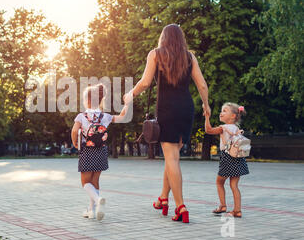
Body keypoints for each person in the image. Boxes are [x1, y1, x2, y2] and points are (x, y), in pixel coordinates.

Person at [123, 24, 211, 223]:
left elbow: (145, 82)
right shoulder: (189, 57)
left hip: (166, 110)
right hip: (186, 109)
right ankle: (163, 198)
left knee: (172, 158)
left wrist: (131, 94)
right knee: (173, 157)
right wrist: (206, 106)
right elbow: (202, 84)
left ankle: (181, 206)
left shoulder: (155, 54)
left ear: (163, 38)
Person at [71, 83, 128, 221]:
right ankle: (93, 211)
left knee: (85, 183)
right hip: (101, 151)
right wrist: (127, 103)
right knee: (95, 180)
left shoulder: (81, 116)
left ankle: (97, 199)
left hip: (87, 150)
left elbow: (74, 131)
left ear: (87, 100)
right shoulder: (105, 117)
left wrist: (75, 142)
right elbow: (122, 117)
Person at [205, 102, 249, 218]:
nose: (221, 112)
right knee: (234, 185)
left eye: (225, 111)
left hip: (227, 158)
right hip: (239, 158)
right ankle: (237, 210)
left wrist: (207, 117)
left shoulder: (223, 128)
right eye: (221, 110)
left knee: (219, 182)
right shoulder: (236, 128)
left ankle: (223, 206)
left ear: (233, 116)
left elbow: (208, 130)